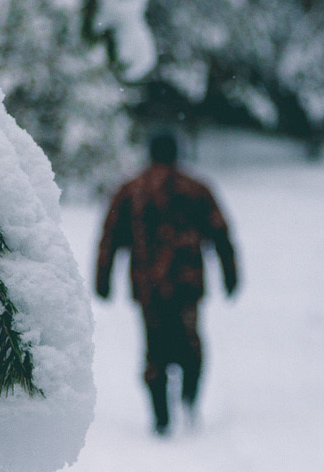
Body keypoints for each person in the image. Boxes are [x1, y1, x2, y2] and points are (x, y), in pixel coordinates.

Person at [96, 130, 239, 436]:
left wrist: (103, 279)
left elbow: (110, 239)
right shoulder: (196, 189)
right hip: (188, 285)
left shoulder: (131, 190)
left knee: (155, 348)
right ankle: (188, 399)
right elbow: (221, 235)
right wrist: (230, 274)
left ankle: (161, 414)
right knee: (191, 344)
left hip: (149, 287)